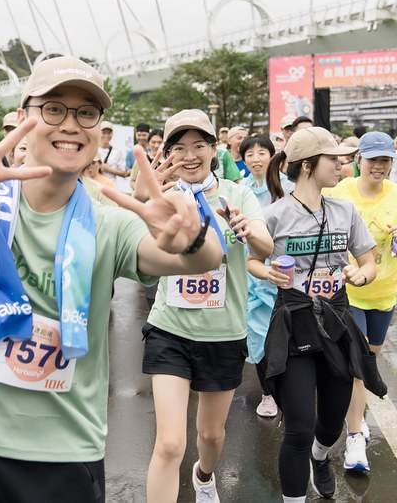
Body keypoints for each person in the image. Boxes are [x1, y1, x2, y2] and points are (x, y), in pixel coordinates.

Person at [0, 56, 224, 503]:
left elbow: (203, 259)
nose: (71, 124)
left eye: (86, 112)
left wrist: (191, 234)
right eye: (54, 108)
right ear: (24, 118)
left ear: (99, 131)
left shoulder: (109, 224)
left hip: (67, 453)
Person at [142, 110, 272, 503]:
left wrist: (247, 232)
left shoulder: (237, 194)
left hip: (223, 332)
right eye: (179, 148)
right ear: (168, 155)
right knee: (168, 443)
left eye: (199, 145)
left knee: (211, 435)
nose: (190, 155)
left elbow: (267, 247)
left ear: (214, 149)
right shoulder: (164, 199)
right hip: (170, 329)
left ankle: (204, 475)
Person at [250, 127, 381, 501]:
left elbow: (368, 261)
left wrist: (361, 273)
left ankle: (321, 457)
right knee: (298, 428)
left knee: (332, 422)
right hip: (294, 321)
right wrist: (268, 272)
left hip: (337, 320)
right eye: (334, 159)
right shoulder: (273, 215)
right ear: (307, 165)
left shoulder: (344, 210)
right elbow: (253, 261)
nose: (342, 165)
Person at [327, 132, 397, 473]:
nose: (379, 166)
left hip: (385, 294)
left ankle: (357, 416)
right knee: (357, 367)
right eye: (372, 159)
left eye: (385, 160)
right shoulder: (339, 192)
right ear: (358, 161)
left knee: (369, 362)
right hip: (349, 291)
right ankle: (355, 436)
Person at [238, 134, 282, 418]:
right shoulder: (238, 190)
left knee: (284, 334)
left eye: (261, 152)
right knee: (257, 337)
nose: (255, 158)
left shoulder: (286, 189)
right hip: (248, 274)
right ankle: (268, 393)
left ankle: (289, 388)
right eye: (249, 154)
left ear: (272, 156)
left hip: (282, 271)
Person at [97, 120, 128, 186]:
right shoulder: (93, 150)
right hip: (94, 186)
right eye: (104, 132)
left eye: (109, 133)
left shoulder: (117, 152)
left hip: (111, 187)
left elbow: (123, 173)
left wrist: (108, 169)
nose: (106, 135)